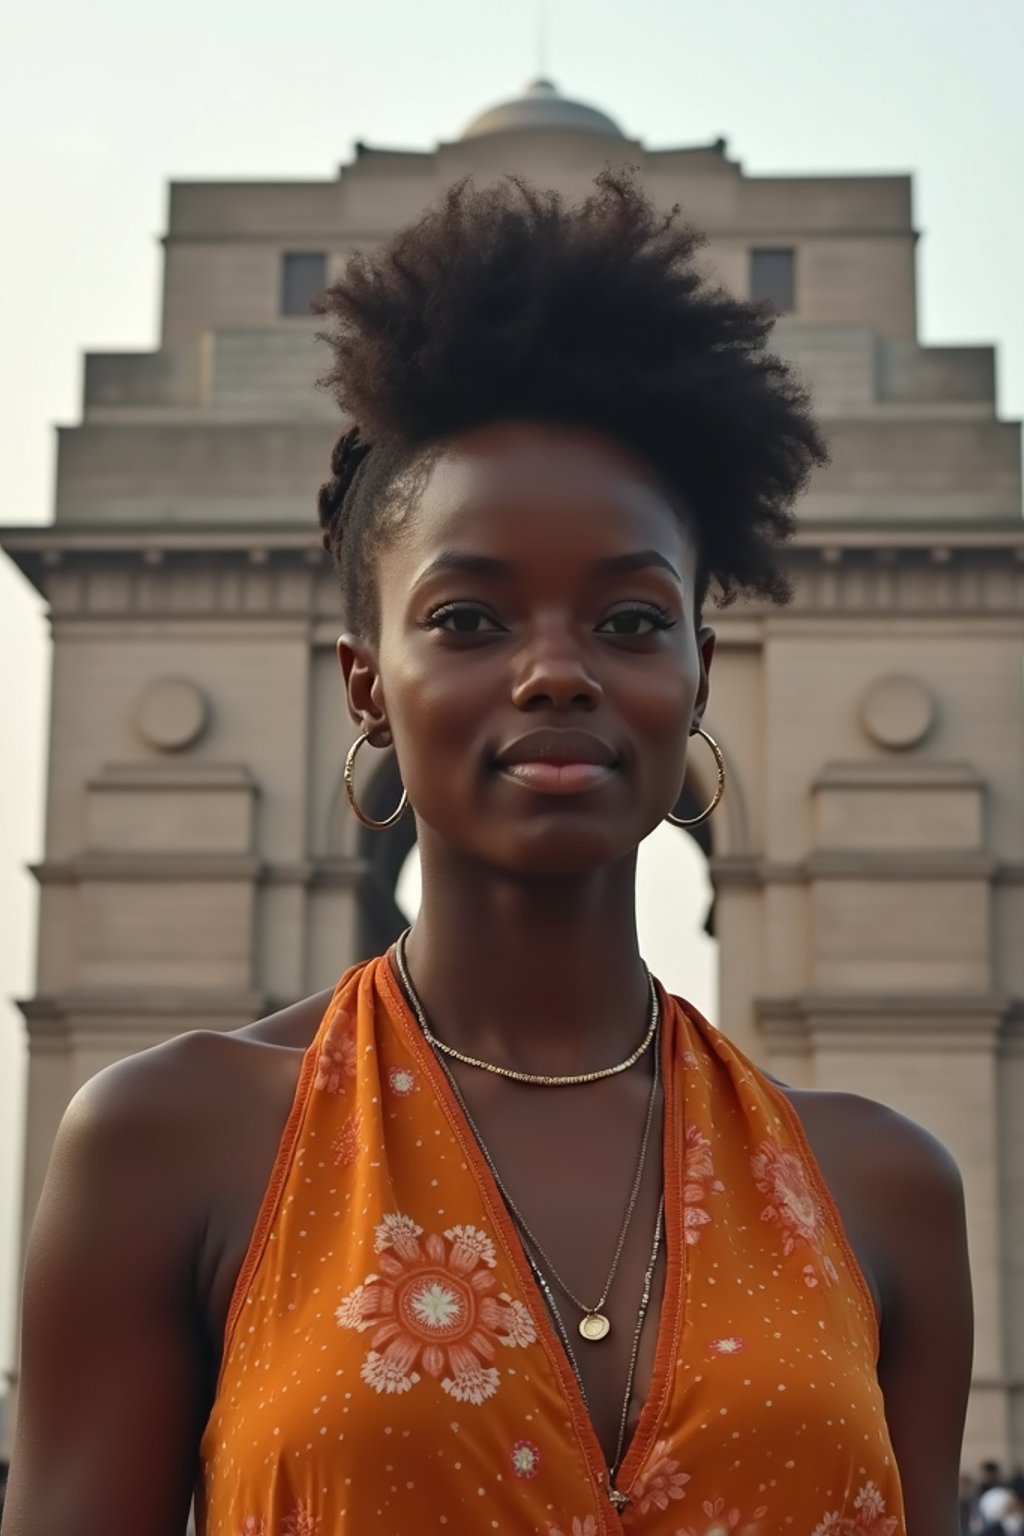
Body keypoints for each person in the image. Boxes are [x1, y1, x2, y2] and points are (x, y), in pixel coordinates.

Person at [2, 170, 973, 1536]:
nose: (556, 673)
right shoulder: (169, 1144)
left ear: (702, 673)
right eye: (468, 619)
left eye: (633, 621)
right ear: (364, 681)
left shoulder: (889, 1190)